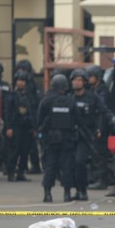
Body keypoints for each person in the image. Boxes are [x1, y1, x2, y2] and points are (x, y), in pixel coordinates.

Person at [37, 74, 80, 203]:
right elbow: (77, 120)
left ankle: (47, 194)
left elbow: (39, 120)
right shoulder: (70, 101)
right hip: (67, 139)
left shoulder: (46, 101)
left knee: (50, 165)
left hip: (51, 139)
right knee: (67, 166)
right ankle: (67, 194)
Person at [69, 68, 107, 201]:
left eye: (79, 80)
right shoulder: (69, 98)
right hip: (70, 136)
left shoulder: (92, 97)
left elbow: (103, 111)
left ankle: (83, 190)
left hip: (85, 136)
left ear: (84, 82)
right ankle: (76, 190)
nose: (77, 83)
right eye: (74, 80)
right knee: (71, 164)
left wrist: (108, 123)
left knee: (80, 162)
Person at [4, 71, 35, 182]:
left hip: (26, 127)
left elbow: (32, 111)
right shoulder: (11, 95)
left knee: (25, 151)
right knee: (14, 150)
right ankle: (11, 173)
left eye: (23, 81)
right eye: (19, 81)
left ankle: (21, 173)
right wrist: (9, 127)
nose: (20, 83)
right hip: (15, 126)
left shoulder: (28, 96)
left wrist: (33, 127)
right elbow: (7, 112)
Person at [86, 65, 113, 190]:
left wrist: (100, 129)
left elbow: (102, 112)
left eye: (90, 76)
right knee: (94, 153)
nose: (88, 78)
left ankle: (102, 180)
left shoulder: (102, 91)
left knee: (100, 154)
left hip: (101, 127)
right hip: (94, 126)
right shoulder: (93, 90)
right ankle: (96, 177)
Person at [15, 59, 42, 174]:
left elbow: (31, 102)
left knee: (31, 143)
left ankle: (35, 165)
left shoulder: (30, 84)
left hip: (31, 115)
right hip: (29, 115)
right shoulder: (28, 83)